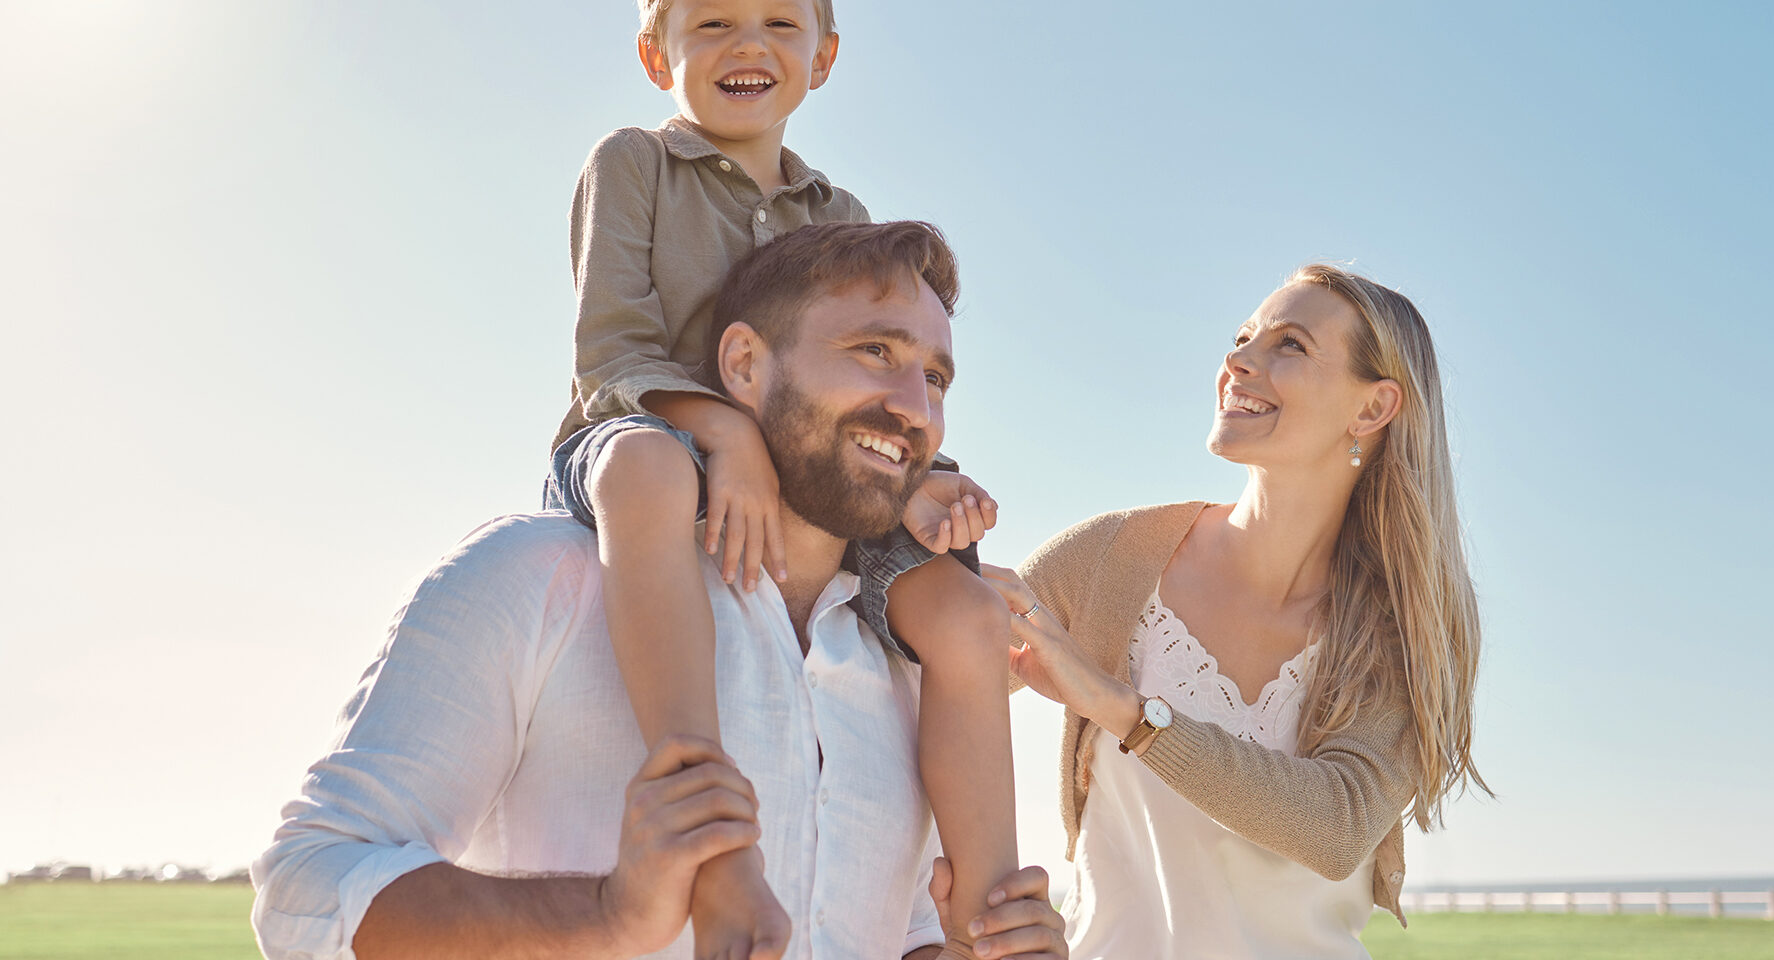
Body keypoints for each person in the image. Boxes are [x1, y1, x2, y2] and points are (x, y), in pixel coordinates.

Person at [251, 222, 1063, 960]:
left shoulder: (912, 664)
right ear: (744, 365)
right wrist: (606, 915)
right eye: (874, 352)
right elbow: (305, 892)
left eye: (937, 377)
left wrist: (979, 951)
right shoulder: (541, 576)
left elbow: (902, 932)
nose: (915, 407)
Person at [546, 2, 1016, 954]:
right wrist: (728, 434)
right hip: (651, 429)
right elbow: (611, 353)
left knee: (969, 612)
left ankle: (991, 911)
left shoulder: (840, 215)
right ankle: (706, 822)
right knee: (643, 471)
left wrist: (924, 477)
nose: (747, 44)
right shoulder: (632, 164)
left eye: (778, 22)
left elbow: (879, 374)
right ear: (655, 53)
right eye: (711, 20)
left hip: (811, 480)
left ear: (825, 57)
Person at [981, 264, 1489, 958]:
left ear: (1372, 410)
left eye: (1290, 346)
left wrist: (1122, 709)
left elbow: (1337, 825)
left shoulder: (1400, 631)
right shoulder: (1108, 561)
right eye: (1244, 338)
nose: (1238, 361)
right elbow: (922, 689)